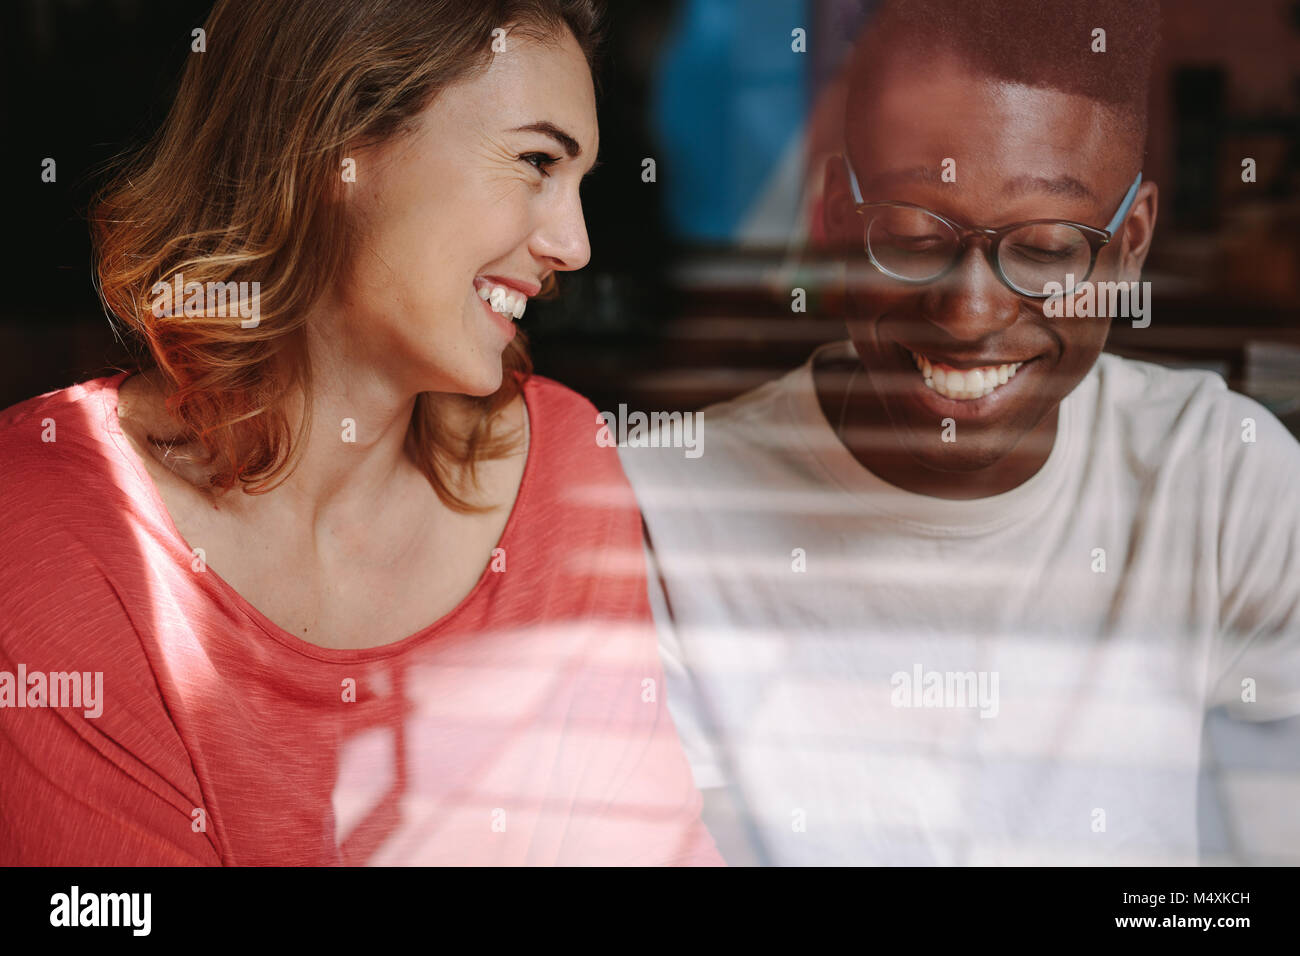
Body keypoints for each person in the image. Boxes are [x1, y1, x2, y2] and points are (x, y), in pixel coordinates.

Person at [0, 0, 720, 866]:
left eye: (580, 184)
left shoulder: (562, 463)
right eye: (535, 162)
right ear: (337, 146)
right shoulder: (43, 526)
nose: (574, 245)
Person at [620, 0, 1300, 865]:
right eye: (909, 237)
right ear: (834, 221)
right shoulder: (665, 508)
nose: (970, 311)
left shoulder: (1226, 486)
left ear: (1128, 250)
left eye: (1049, 249)